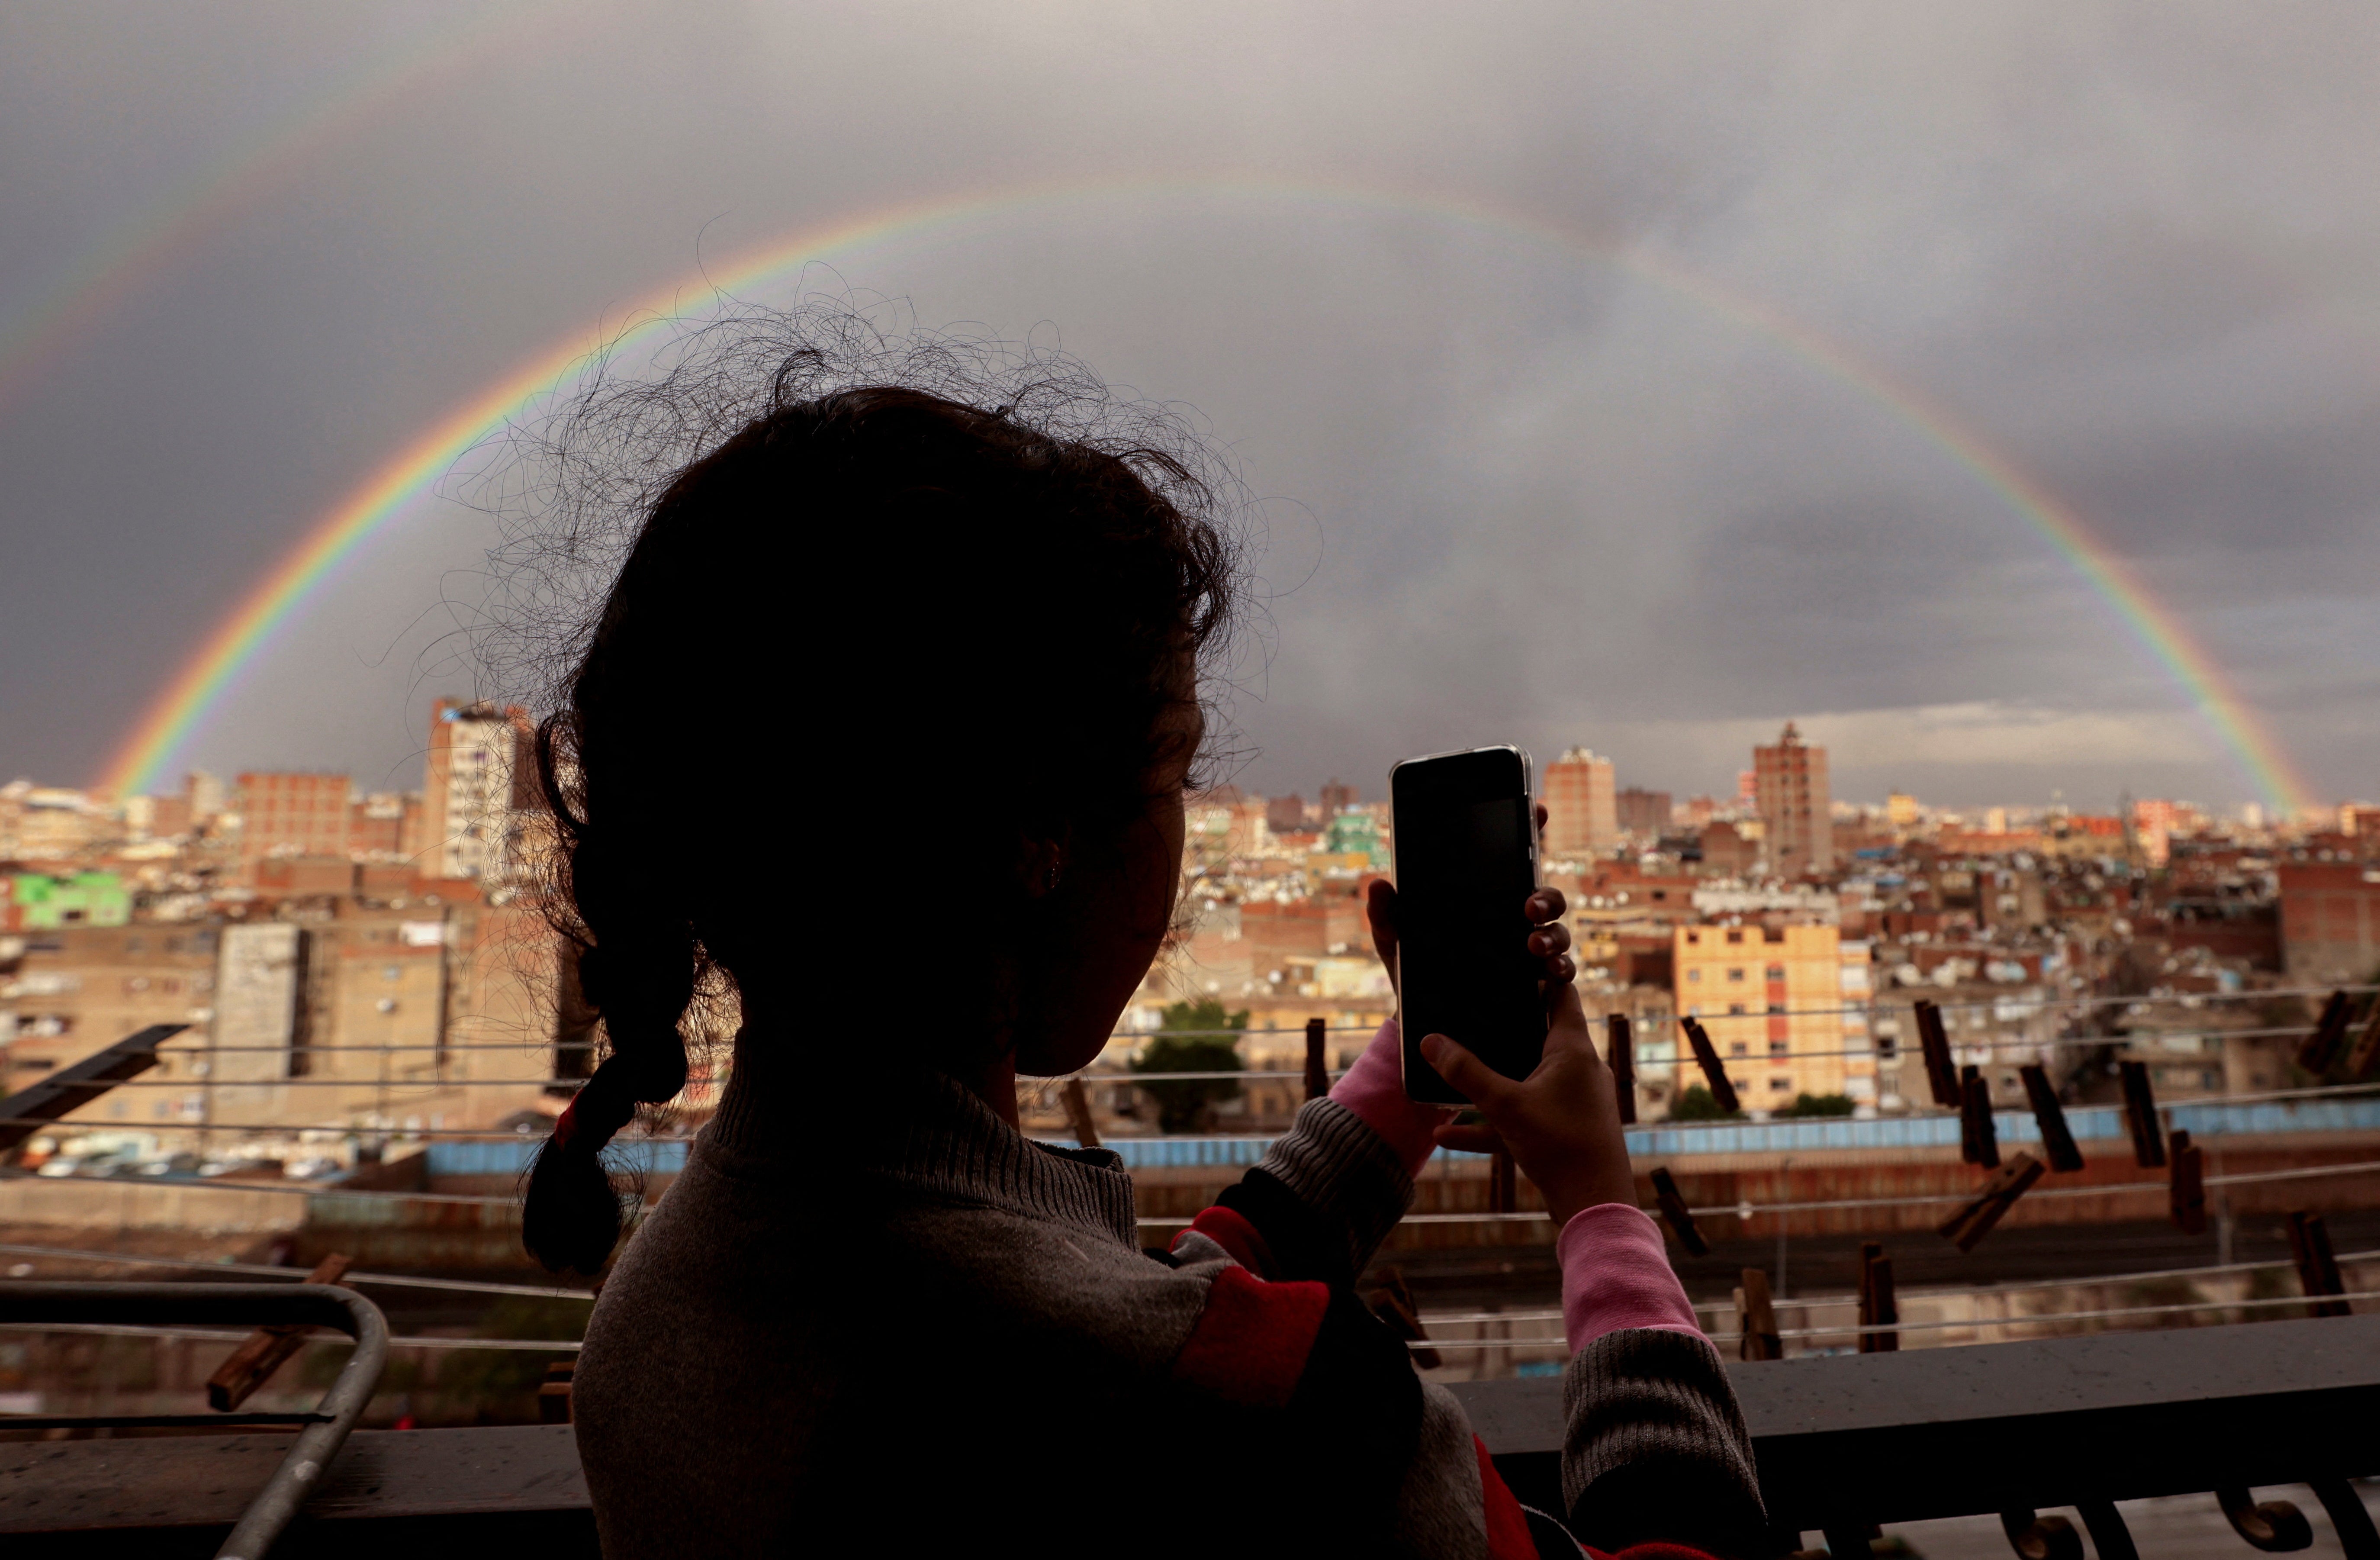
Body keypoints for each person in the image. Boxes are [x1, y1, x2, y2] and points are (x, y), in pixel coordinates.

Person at [518, 345, 1766, 1558]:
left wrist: (1410, 1068)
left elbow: (1111, 1306)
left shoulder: (653, 1321)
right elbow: (1160, 1350)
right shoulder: (1274, 1423)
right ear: (1041, 841)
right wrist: (1599, 1204)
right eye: (1176, 766)